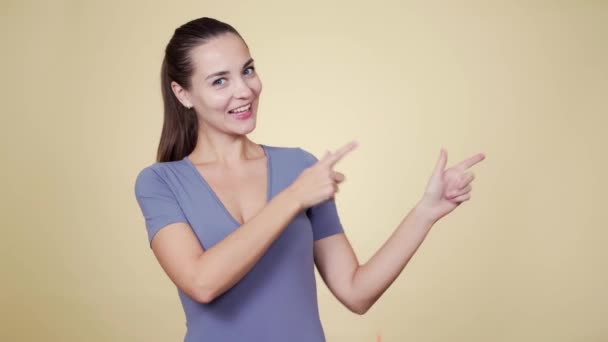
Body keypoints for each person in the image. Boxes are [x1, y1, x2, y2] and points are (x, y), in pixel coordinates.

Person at [134, 17, 485, 342]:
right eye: (220, 81)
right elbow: (202, 283)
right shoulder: (160, 183)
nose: (244, 90)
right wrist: (294, 197)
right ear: (183, 94)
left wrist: (425, 211)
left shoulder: (300, 166)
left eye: (248, 70)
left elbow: (355, 292)